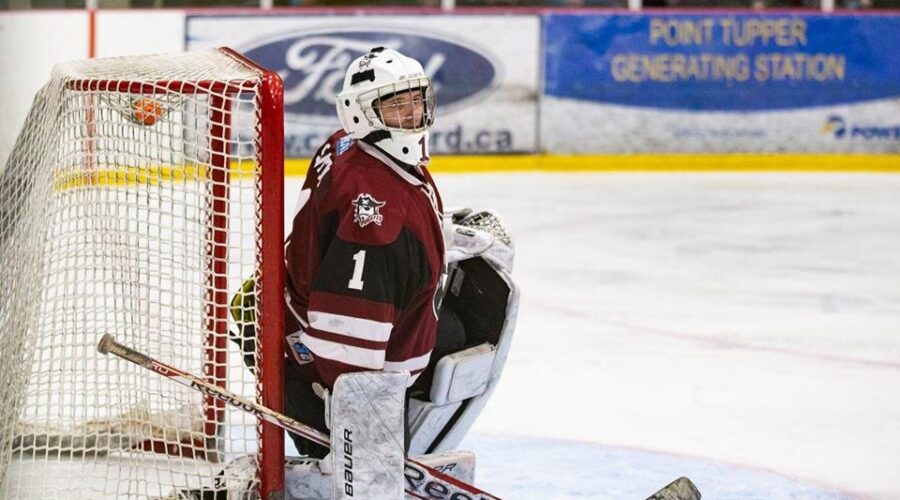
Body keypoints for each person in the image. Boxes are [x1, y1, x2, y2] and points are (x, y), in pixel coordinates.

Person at [231, 47, 445, 459]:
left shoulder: (346, 144)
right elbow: (348, 363)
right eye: (397, 106)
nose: (413, 116)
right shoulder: (378, 222)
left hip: (282, 308)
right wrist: (365, 446)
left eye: (416, 100)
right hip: (309, 367)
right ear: (359, 112)